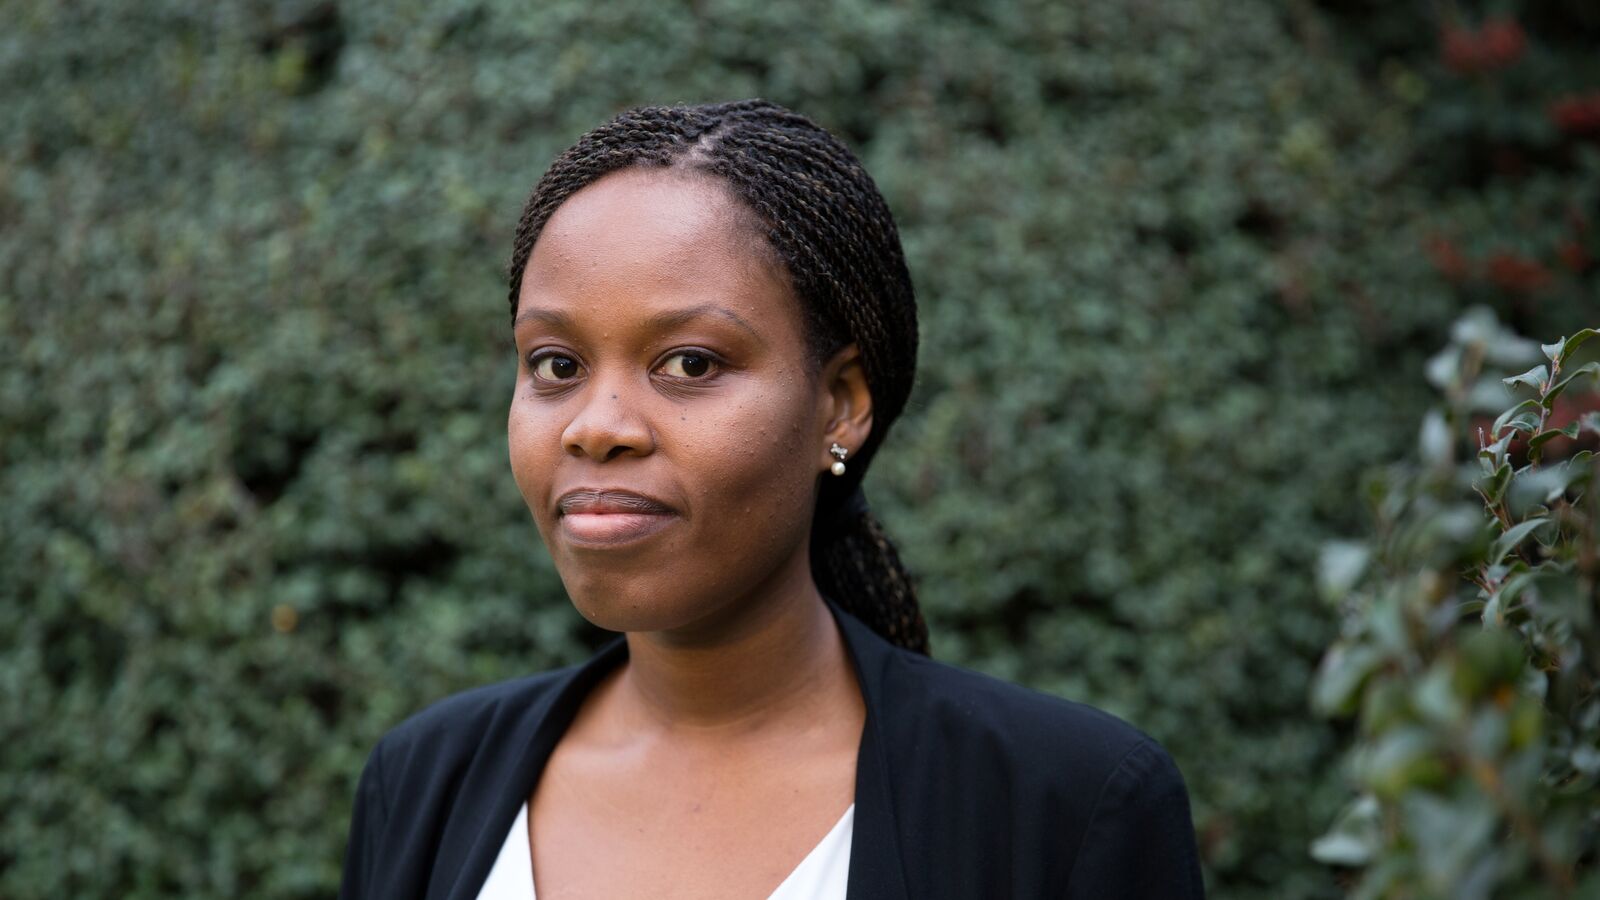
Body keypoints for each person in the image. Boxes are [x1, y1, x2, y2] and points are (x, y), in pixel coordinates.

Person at [337, 98, 1205, 899]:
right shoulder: (421, 785)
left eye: (690, 364)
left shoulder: (1066, 807)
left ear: (841, 403)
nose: (596, 427)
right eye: (556, 365)